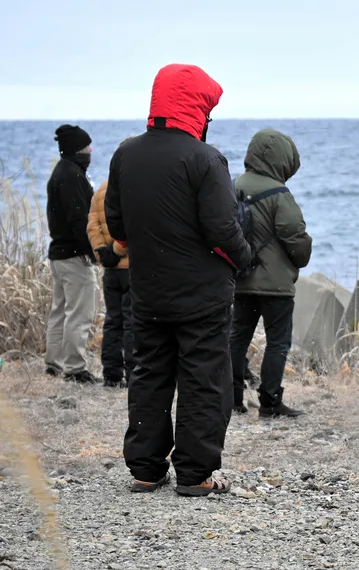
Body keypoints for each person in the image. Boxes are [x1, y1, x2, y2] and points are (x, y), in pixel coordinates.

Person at [104, 63, 251, 497]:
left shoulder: (126, 154)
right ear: (197, 109)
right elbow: (221, 230)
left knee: (148, 374)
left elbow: (118, 226)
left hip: (147, 289)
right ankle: (195, 474)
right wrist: (244, 259)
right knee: (203, 378)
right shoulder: (206, 159)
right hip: (202, 295)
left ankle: (146, 470)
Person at [228, 129, 312, 418]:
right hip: (275, 285)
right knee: (277, 342)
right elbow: (295, 236)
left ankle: (232, 398)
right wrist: (302, 256)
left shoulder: (232, 185)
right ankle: (270, 401)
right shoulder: (279, 194)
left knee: (236, 338)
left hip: (240, 279)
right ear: (281, 159)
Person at [45, 124, 99, 384]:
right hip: (74, 256)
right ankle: (75, 368)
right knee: (80, 313)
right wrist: (94, 252)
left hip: (58, 254)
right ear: (78, 150)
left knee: (59, 311)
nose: (91, 151)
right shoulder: (73, 176)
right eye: (87, 147)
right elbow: (80, 220)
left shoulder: (60, 171)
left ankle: (53, 364)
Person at [86, 142, 135, 388]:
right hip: (132, 268)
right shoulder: (134, 190)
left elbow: (92, 226)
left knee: (112, 320)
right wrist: (117, 251)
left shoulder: (101, 191)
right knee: (132, 321)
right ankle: (132, 372)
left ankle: (111, 373)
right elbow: (132, 229)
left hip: (111, 270)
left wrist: (102, 253)